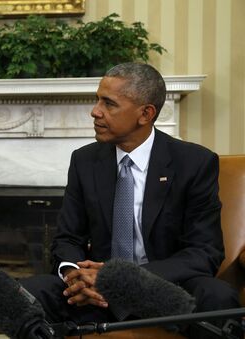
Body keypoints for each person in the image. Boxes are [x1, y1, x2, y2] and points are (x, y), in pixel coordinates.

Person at [19, 62, 240, 336]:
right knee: (27, 294)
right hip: (96, 295)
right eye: (97, 100)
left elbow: (204, 252)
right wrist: (74, 275)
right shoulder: (85, 161)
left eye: (109, 104)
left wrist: (123, 279)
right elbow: (68, 239)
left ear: (145, 114)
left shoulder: (194, 163)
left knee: (217, 296)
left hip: (164, 290)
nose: (95, 111)